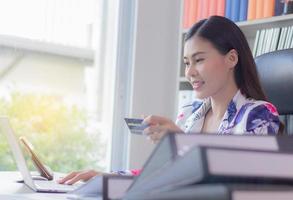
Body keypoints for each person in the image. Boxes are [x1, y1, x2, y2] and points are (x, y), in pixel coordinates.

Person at [58, 16, 282, 185]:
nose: (190, 72)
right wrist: (109, 178)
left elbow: (237, 184)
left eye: (199, 60)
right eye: (186, 62)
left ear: (231, 58)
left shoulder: (259, 115)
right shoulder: (190, 113)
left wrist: (183, 143)